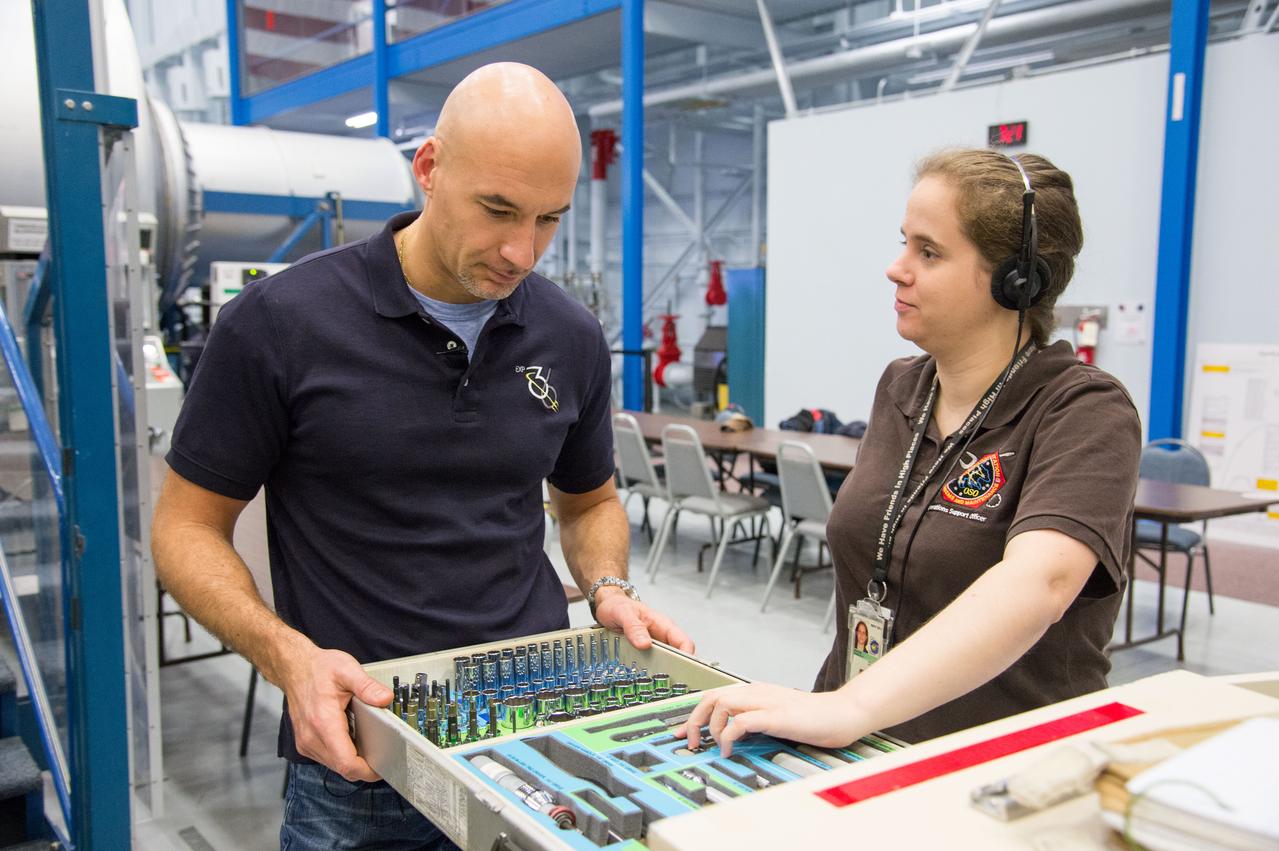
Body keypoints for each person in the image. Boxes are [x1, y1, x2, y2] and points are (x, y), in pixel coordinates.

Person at [151, 62, 692, 850]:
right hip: (361, 758)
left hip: (538, 736)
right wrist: (288, 657)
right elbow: (184, 528)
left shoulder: (568, 336)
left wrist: (606, 585)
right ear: (430, 168)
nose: (521, 251)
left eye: (549, 219)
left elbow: (589, 501)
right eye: (498, 209)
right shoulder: (278, 324)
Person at [681, 148, 1140, 756]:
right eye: (905, 244)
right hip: (857, 742)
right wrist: (840, 707)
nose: (897, 269)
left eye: (929, 252)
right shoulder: (902, 387)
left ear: (1016, 279)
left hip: (998, 766)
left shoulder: (1084, 411)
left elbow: (1040, 584)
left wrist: (850, 707)